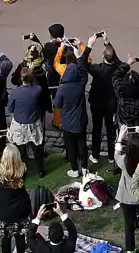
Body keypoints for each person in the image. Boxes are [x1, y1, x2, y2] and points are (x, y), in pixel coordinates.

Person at [114, 125, 139, 250]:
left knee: (128, 225)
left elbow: (116, 152)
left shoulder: (123, 161)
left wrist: (120, 137)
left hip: (126, 196)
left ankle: (130, 249)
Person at [54, 41, 90, 178]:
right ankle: (85, 167)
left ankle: (75, 169)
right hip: (80, 119)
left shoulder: (62, 88)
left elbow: (58, 105)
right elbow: (83, 70)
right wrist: (79, 56)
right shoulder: (81, 83)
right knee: (82, 144)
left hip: (67, 121)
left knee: (71, 146)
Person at [7, 66, 50, 176]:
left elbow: (10, 108)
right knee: (37, 148)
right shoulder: (37, 90)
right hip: (34, 123)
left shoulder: (16, 92)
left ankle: (23, 171)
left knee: (21, 150)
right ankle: (40, 170)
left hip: (19, 124)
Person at [0, 140, 32, 253]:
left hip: (3, 212)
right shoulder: (23, 169)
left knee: (6, 240)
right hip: (20, 210)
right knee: (20, 238)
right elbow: (22, 157)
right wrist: (13, 142)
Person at [87, 37, 120, 166]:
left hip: (97, 103)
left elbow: (83, 62)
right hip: (111, 104)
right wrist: (108, 43)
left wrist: (89, 46)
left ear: (103, 57)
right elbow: (117, 60)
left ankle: (95, 155)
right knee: (111, 131)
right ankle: (112, 156)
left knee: (97, 129)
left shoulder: (97, 69)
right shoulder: (118, 68)